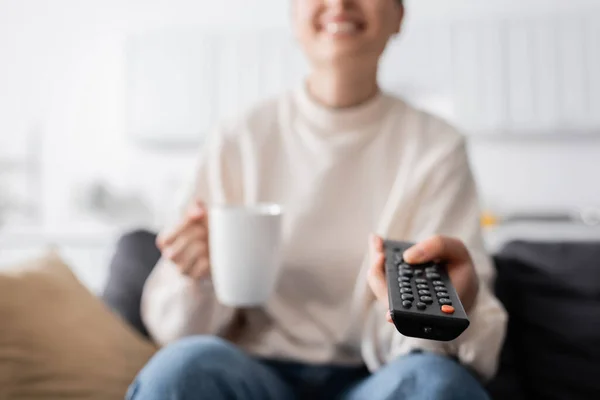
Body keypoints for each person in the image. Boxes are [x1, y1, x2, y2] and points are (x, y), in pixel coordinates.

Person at [127, 0, 508, 399]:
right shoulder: (238, 139)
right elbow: (170, 331)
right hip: (251, 371)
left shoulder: (436, 148)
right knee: (180, 370)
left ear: (398, 16)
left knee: (436, 383)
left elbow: (459, 350)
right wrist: (199, 278)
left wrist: (448, 312)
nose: (341, 4)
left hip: (381, 374)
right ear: (294, 17)